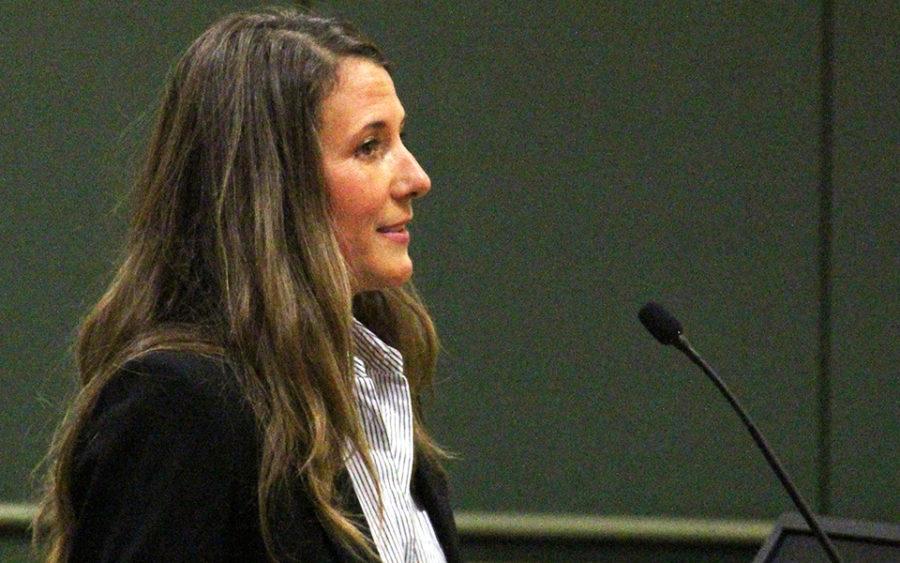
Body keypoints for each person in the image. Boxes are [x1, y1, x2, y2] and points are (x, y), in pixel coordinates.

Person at [34, 8, 460, 562]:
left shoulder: (374, 394)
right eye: (369, 147)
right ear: (273, 188)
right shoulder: (181, 405)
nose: (416, 178)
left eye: (400, 139)